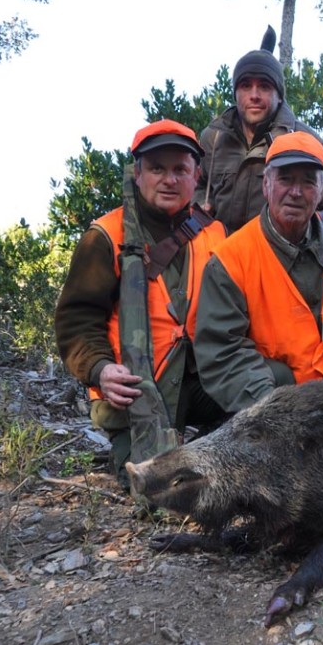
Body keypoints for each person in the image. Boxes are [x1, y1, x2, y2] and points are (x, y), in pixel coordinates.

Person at [55, 119, 229, 487]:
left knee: (275, 385)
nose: (169, 179)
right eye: (157, 168)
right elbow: (77, 318)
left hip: (199, 380)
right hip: (133, 392)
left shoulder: (215, 233)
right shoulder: (104, 235)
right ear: (137, 174)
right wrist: (101, 370)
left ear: (196, 176)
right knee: (156, 492)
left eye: (180, 169)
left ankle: (199, 444)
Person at [194, 131, 323, 415]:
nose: (296, 192)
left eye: (308, 181)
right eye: (286, 179)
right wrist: (274, 410)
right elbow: (222, 352)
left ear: (322, 190)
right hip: (280, 397)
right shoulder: (230, 259)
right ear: (266, 185)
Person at [195, 26, 323, 232]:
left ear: (279, 95)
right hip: (222, 258)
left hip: (280, 260)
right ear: (235, 93)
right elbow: (194, 185)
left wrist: (300, 237)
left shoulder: (305, 141)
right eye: (245, 86)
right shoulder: (214, 138)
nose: (254, 95)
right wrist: (198, 206)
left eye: (264, 86)